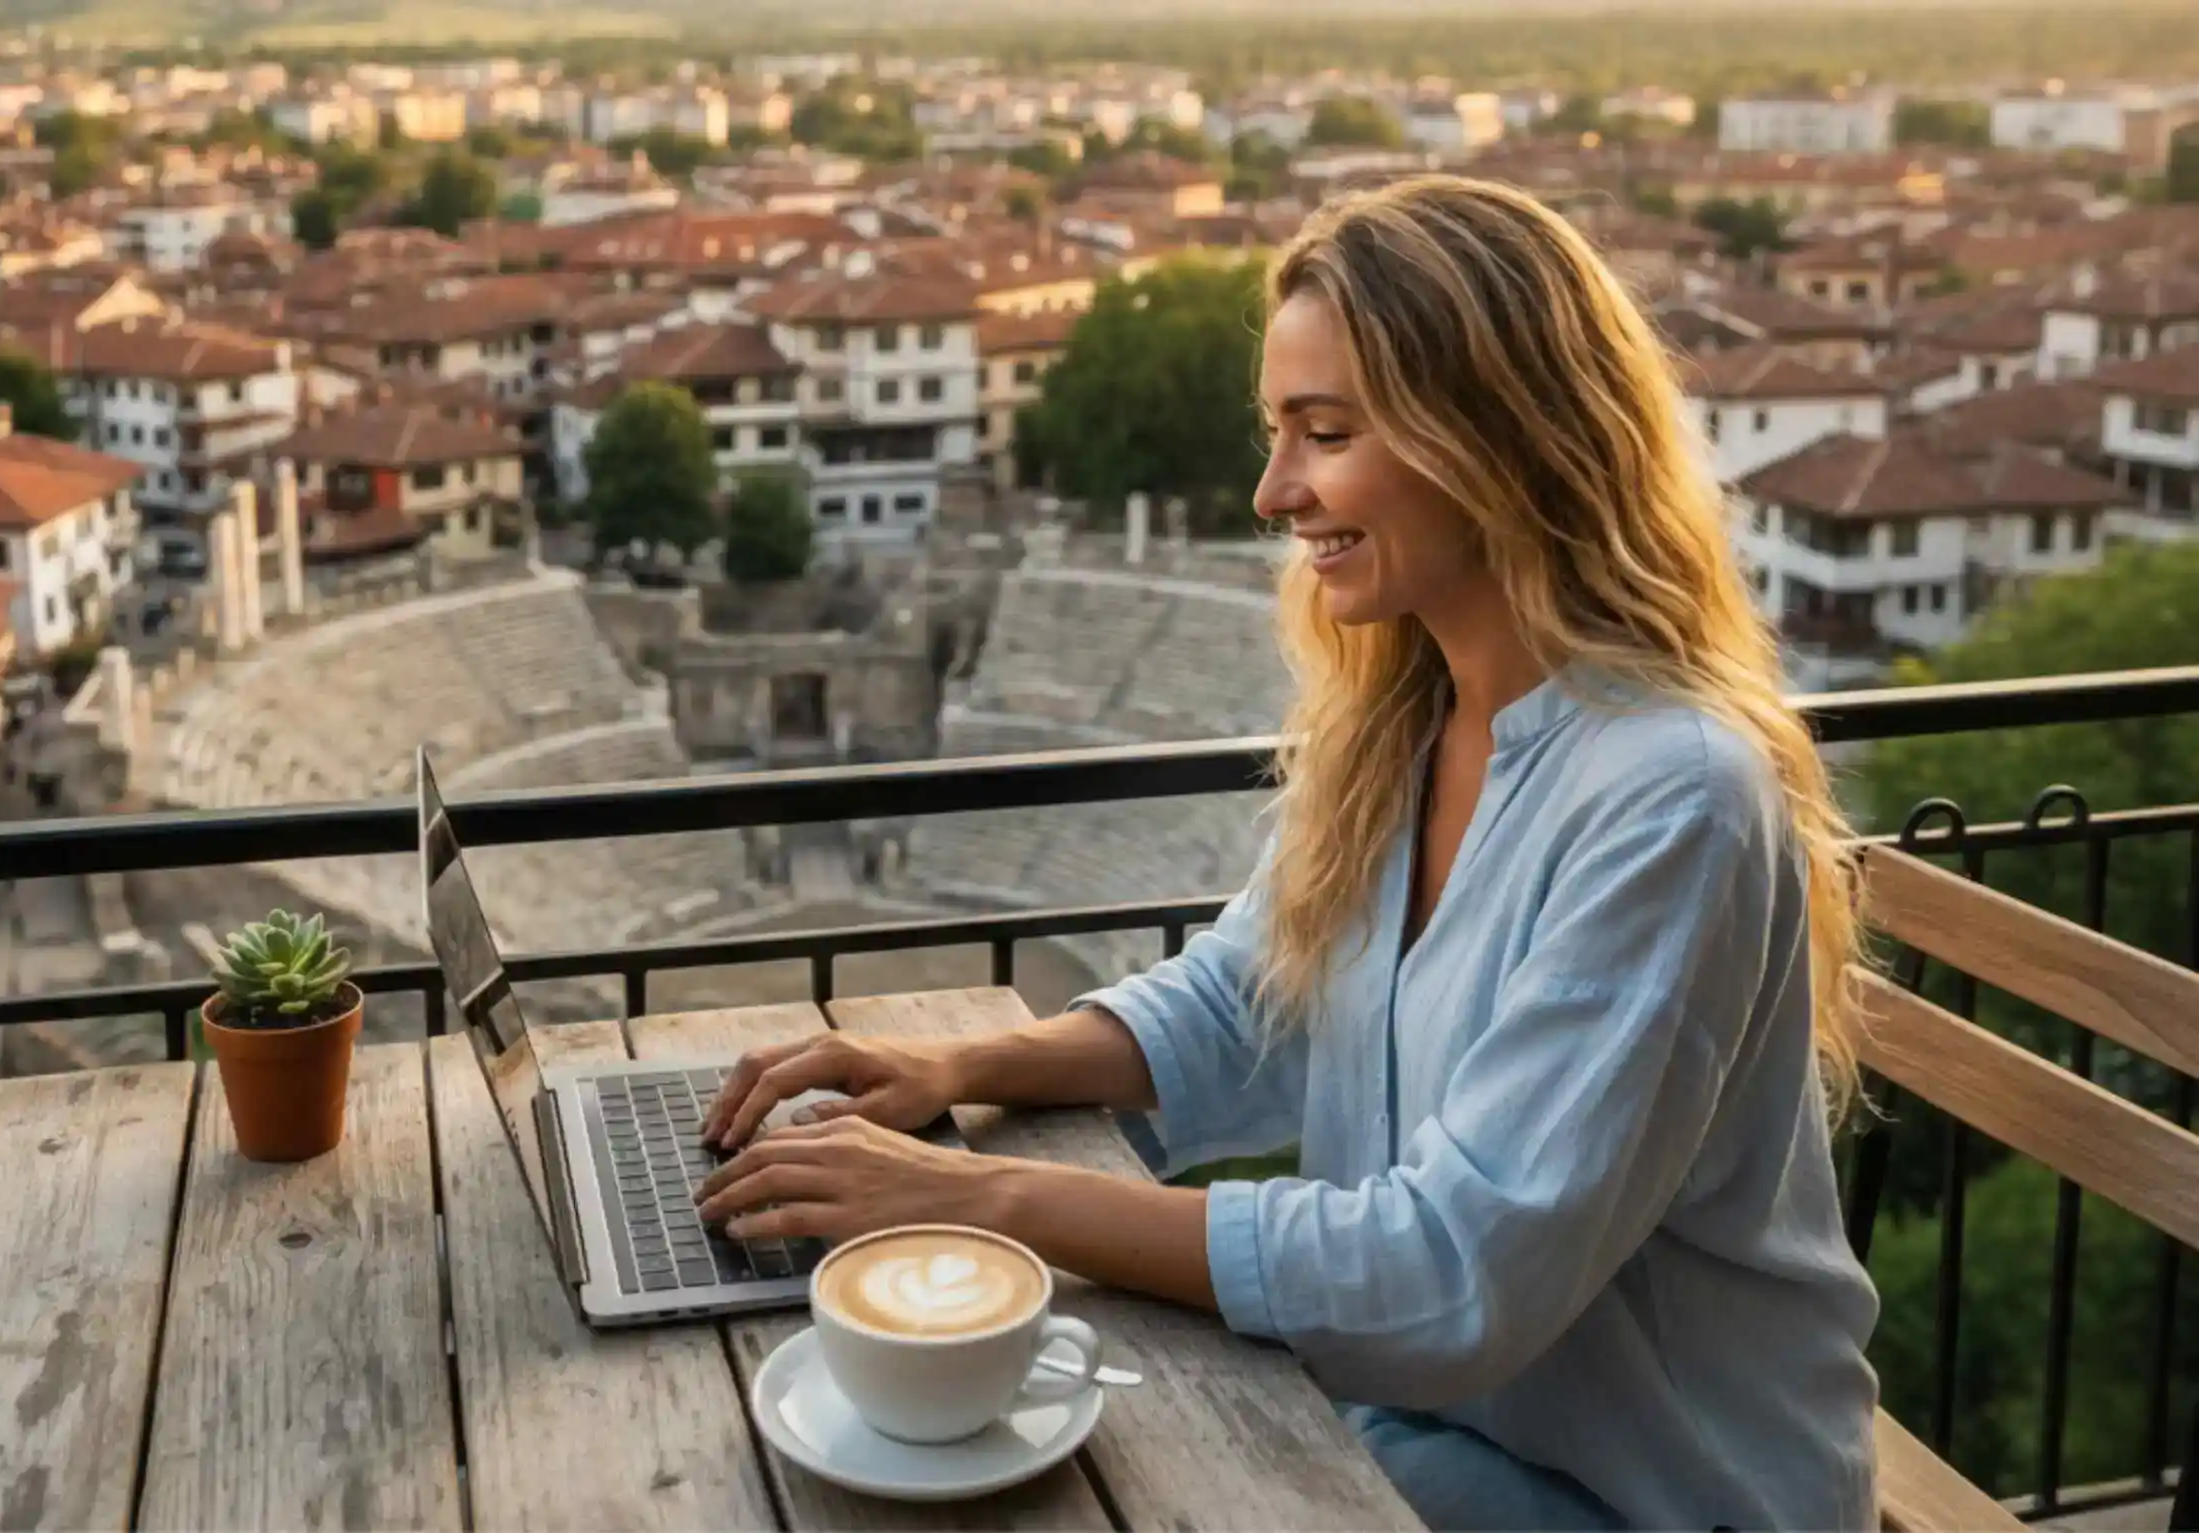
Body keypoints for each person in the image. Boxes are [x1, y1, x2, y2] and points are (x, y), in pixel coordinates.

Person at [697, 175, 1879, 1532]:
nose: (1273, 491)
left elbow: (1454, 1272)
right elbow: (1247, 1003)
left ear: (1496, 438)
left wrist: (978, 1196)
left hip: (1658, 1501)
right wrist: (958, 1065)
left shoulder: (1673, 798)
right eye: (1277, 433)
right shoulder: (1409, 721)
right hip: (1423, 1432)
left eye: (1323, 432)